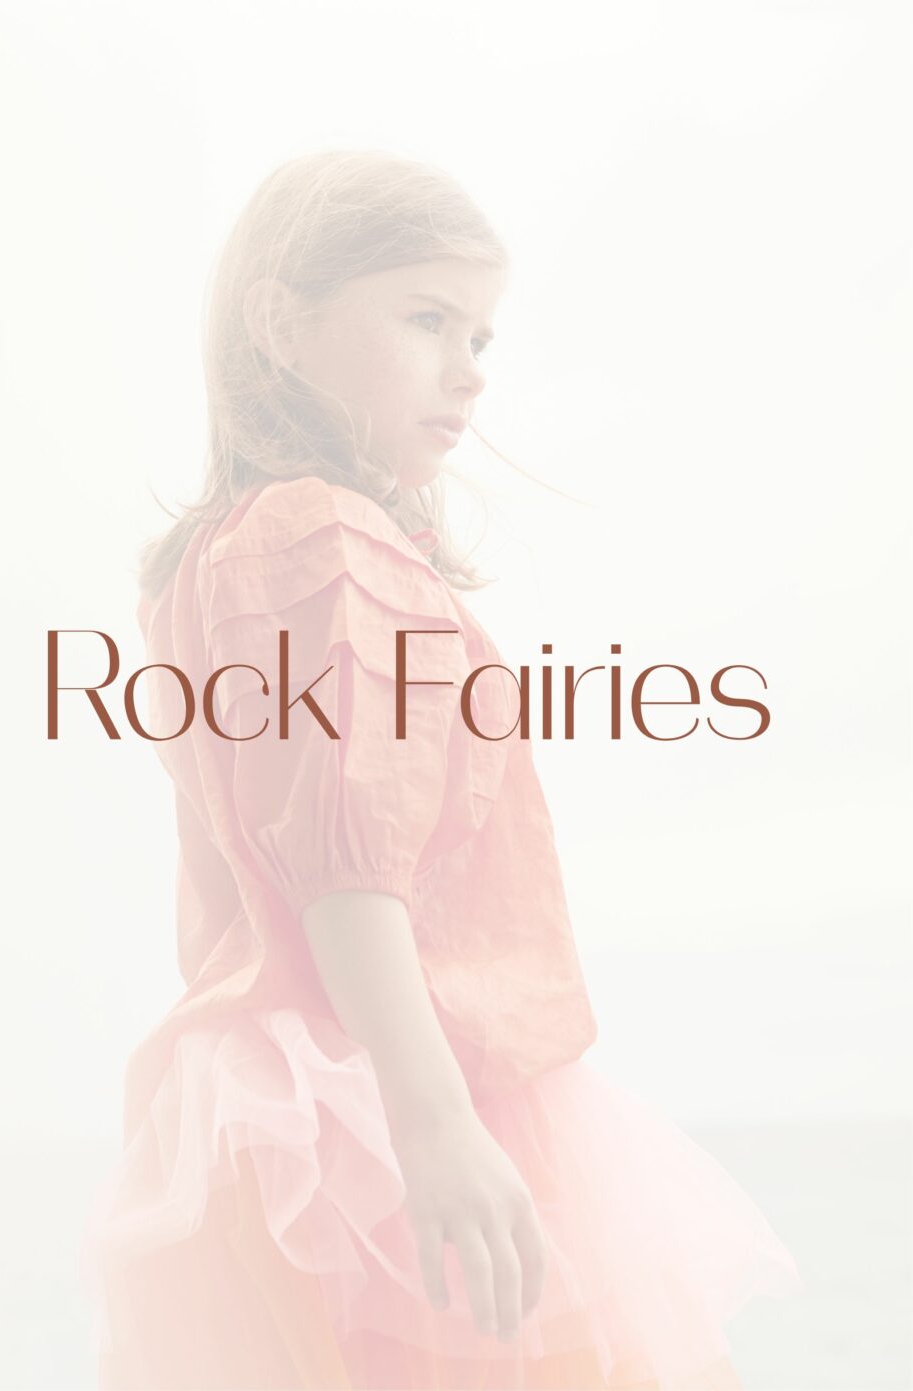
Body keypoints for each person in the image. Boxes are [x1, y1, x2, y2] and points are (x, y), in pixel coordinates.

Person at [90, 150, 800, 1389]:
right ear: (277, 322)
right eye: (423, 318)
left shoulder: (211, 559)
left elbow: (231, 873)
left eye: (479, 333)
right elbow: (342, 864)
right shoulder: (319, 535)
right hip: (401, 1092)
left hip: (285, 1097)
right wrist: (431, 1123)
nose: (467, 366)